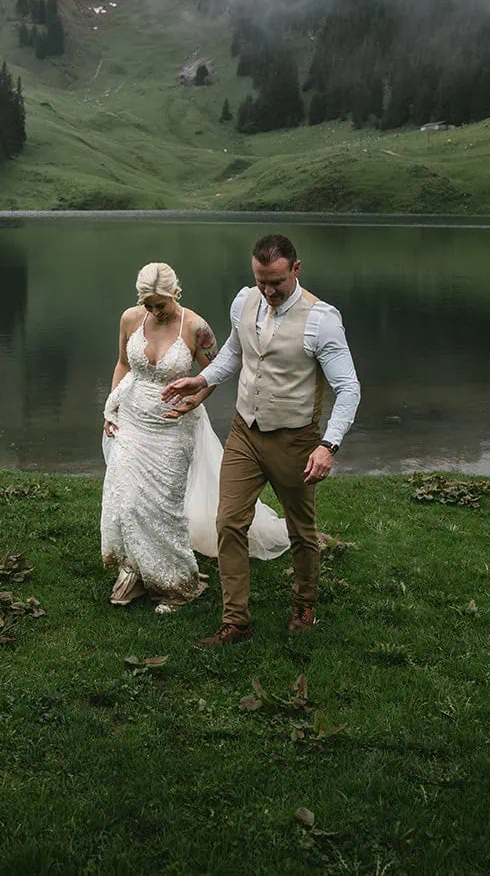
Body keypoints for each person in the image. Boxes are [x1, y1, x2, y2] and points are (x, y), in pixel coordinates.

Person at [162, 234, 361, 647]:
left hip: (297, 440)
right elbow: (235, 354)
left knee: (301, 531)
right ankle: (236, 622)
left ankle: (305, 603)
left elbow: (349, 388)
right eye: (261, 281)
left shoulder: (322, 319)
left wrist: (329, 445)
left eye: (276, 282)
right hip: (244, 433)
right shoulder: (244, 301)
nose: (268, 291)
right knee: (228, 522)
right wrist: (202, 379)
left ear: (296, 269)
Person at [100, 263, 289, 614]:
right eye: (149, 305)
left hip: (174, 426)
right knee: (122, 500)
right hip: (132, 418)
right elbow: (123, 364)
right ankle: (134, 571)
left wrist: (195, 400)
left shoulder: (195, 327)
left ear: (176, 294)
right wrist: (111, 407)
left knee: (161, 506)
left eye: (161, 305)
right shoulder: (130, 319)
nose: (155, 312)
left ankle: (176, 582)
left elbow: (216, 372)